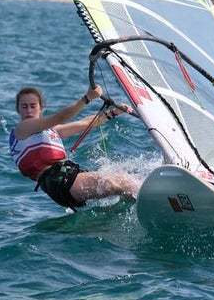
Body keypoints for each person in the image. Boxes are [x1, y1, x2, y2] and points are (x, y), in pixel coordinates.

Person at [9, 83, 140, 210]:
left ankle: (141, 203)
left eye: (33, 106)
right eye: (24, 106)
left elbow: (86, 123)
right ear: (18, 109)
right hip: (59, 182)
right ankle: (149, 200)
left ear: (41, 107)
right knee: (120, 181)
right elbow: (59, 117)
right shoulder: (22, 128)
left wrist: (114, 112)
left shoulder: (51, 131)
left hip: (65, 181)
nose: (29, 110)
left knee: (119, 183)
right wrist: (87, 98)